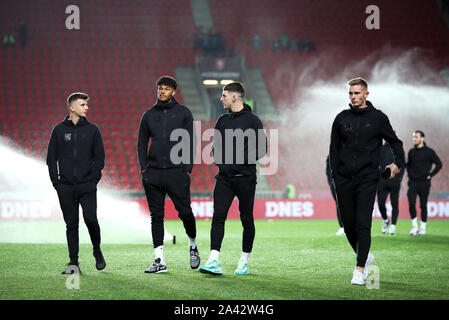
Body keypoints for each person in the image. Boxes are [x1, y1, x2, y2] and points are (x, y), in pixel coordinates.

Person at [329, 77, 405, 286]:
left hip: (367, 178)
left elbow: (395, 143)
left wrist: (397, 163)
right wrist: (335, 175)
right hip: (343, 179)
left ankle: (359, 269)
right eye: (350, 93)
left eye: (357, 93)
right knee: (348, 224)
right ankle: (364, 255)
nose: (353, 97)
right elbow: (333, 150)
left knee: (363, 223)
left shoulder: (379, 118)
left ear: (366, 94)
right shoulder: (341, 118)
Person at [199, 82, 266, 276]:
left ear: (235, 97)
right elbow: (214, 147)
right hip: (224, 179)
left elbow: (262, 149)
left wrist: (238, 162)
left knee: (247, 219)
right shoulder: (221, 120)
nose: (221, 99)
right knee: (218, 217)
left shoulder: (253, 121)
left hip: (245, 178)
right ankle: (213, 260)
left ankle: (244, 261)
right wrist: (222, 163)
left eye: (224, 95)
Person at [138, 76, 200, 273]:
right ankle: (159, 260)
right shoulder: (148, 115)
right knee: (156, 217)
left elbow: (191, 142)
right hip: (153, 174)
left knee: (185, 213)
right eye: (160, 88)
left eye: (166, 89)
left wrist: (187, 169)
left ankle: (193, 245)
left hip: (176, 173)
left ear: (174, 91)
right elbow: (141, 144)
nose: (162, 91)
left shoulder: (183, 113)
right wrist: (144, 169)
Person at [46, 92, 106, 274]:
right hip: (65, 187)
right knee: (71, 225)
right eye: (82, 105)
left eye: (87, 105)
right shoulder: (58, 130)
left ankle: (97, 250)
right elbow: (51, 159)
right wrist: (56, 183)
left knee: (90, 219)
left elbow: (100, 158)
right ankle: (74, 264)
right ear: (71, 108)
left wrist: (93, 179)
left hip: (87, 186)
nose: (86, 107)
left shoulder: (93, 130)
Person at [406, 130, 442, 236]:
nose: (414, 139)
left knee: (423, 205)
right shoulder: (411, 151)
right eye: (413, 137)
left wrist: (431, 175)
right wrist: (409, 173)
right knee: (411, 203)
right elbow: (408, 165)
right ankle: (414, 226)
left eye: (416, 137)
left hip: (424, 183)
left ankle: (422, 227)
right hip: (412, 182)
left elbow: (439, 164)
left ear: (422, 138)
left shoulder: (429, 152)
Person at [377, 141, 405, 235]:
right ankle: (385, 220)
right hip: (382, 181)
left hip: (395, 181)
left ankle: (393, 226)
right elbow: (375, 163)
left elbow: (403, 164)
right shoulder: (380, 148)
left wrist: (400, 177)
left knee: (394, 204)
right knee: (380, 204)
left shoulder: (398, 148)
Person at [326, 155, 344, 236]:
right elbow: (328, 170)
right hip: (336, 184)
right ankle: (342, 227)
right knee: (339, 204)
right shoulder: (330, 155)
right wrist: (331, 182)